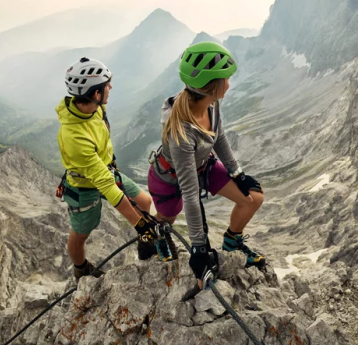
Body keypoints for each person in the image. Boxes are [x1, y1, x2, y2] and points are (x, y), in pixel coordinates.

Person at [147, 42, 265, 286]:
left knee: (253, 198)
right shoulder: (180, 132)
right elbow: (190, 194)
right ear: (213, 85)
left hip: (203, 166)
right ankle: (158, 232)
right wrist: (199, 248)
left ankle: (232, 242)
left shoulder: (212, 103)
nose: (229, 83)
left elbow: (218, 137)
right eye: (226, 79)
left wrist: (237, 173)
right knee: (168, 216)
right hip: (169, 177)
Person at [56, 57, 168, 280]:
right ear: (96, 94)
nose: (111, 87)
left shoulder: (92, 107)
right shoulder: (74, 136)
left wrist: (142, 224)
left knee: (145, 202)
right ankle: (81, 269)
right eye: (107, 85)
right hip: (83, 187)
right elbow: (105, 185)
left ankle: (146, 251)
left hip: (105, 169)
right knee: (80, 234)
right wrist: (139, 224)